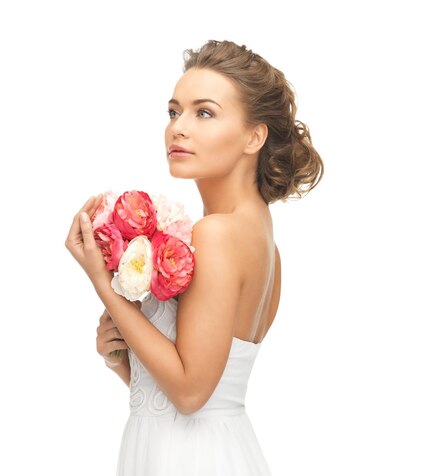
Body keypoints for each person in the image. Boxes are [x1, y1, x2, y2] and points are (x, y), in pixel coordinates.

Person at [66, 39, 323, 476]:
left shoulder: (217, 234)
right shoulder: (263, 243)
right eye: (173, 111)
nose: (178, 128)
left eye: (204, 112)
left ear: (254, 136)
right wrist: (120, 360)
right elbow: (199, 392)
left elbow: (189, 394)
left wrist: (105, 285)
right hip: (203, 448)